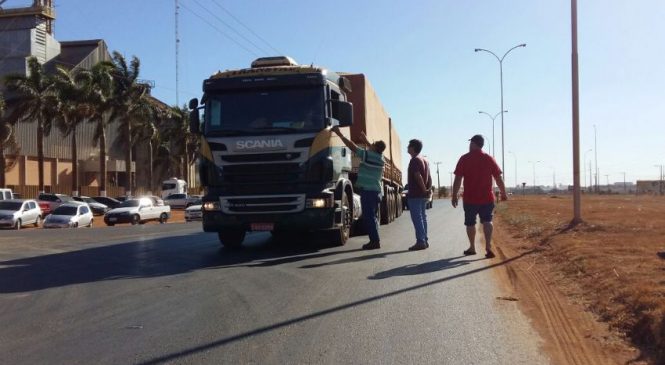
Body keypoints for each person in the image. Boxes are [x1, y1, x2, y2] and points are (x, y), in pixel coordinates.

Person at [451, 134, 507, 258]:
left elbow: (458, 179)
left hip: (470, 198)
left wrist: (454, 195)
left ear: (473, 143)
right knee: (487, 220)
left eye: (470, 143)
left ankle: (472, 247)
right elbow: (498, 178)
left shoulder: (464, 159)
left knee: (470, 223)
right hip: (487, 198)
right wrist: (503, 193)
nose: (469, 145)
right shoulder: (489, 158)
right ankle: (488, 247)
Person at [331, 125, 386, 250]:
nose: (370, 144)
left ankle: (375, 241)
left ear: (375, 148)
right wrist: (366, 141)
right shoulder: (381, 158)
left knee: (369, 217)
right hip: (377, 191)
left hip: (368, 192)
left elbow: (352, 146)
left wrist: (339, 134)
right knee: (374, 217)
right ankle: (375, 239)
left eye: (373, 144)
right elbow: (373, 148)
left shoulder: (368, 155)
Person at [406, 139, 431, 251]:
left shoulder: (415, 160)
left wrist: (424, 189)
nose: (407, 147)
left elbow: (418, 176)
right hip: (422, 194)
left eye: (409, 145)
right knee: (422, 217)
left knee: (417, 218)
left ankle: (421, 241)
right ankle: (424, 239)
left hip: (416, 194)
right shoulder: (424, 160)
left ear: (413, 148)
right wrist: (427, 189)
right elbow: (429, 177)